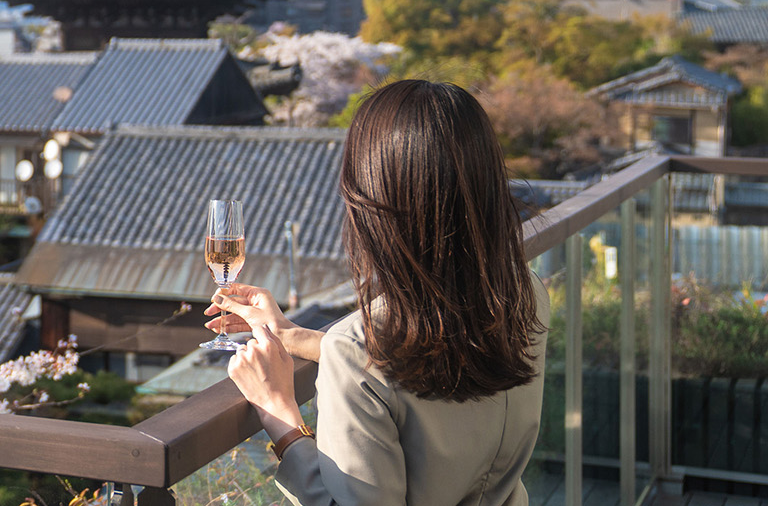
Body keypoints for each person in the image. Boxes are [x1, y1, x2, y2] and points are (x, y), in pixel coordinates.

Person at [207, 79, 550, 506]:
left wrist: (279, 414)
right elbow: (427, 355)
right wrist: (301, 338)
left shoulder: (356, 350)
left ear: (372, 205)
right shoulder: (523, 295)